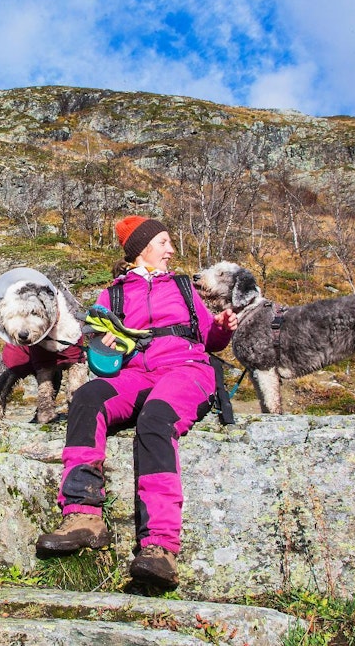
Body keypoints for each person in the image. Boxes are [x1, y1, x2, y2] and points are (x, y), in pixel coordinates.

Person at [34, 216, 239, 589]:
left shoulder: (181, 285)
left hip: (185, 368)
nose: (171, 250)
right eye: (163, 242)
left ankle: (159, 547)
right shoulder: (110, 295)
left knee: (155, 419)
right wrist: (101, 346)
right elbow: (95, 349)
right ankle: (83, 516)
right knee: (86, 398)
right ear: (141, 249)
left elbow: (209, 338)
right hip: (135, 374)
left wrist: (222, 326)